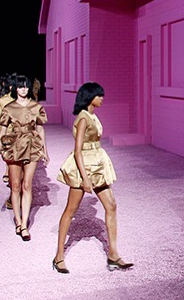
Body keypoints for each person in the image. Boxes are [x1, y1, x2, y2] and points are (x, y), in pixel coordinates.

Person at [53, 82, 133, 273]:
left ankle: (113, 255)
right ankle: (58, 257)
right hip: (85, 166)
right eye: (99, 95)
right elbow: (77, 150)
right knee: (70, 210)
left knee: (111, 205)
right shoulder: (83, 118)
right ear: (90, 97)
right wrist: (85, 178)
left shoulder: (92, 115)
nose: (102, 98)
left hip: (97, 163)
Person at [0, 74, 49, 242]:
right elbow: (3, 131)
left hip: (32, 146)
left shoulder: (36, 107)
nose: (23, 89)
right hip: (14, 146)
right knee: (15, 186)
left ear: (29, 88)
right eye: (20, 86)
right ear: (15, 89)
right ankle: (17, 221)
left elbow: (40, 129)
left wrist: (45, 151)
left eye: (25, 86)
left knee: (27, 185)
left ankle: (24, 224)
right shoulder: (9, 108)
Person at [0, 73, 16, 209]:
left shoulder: (25, 100)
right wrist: (0, 138)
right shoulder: (4, 101)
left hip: (23, 138)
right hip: (8, 136)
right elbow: (0, 122)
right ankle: (12, 195)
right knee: (12, 165)